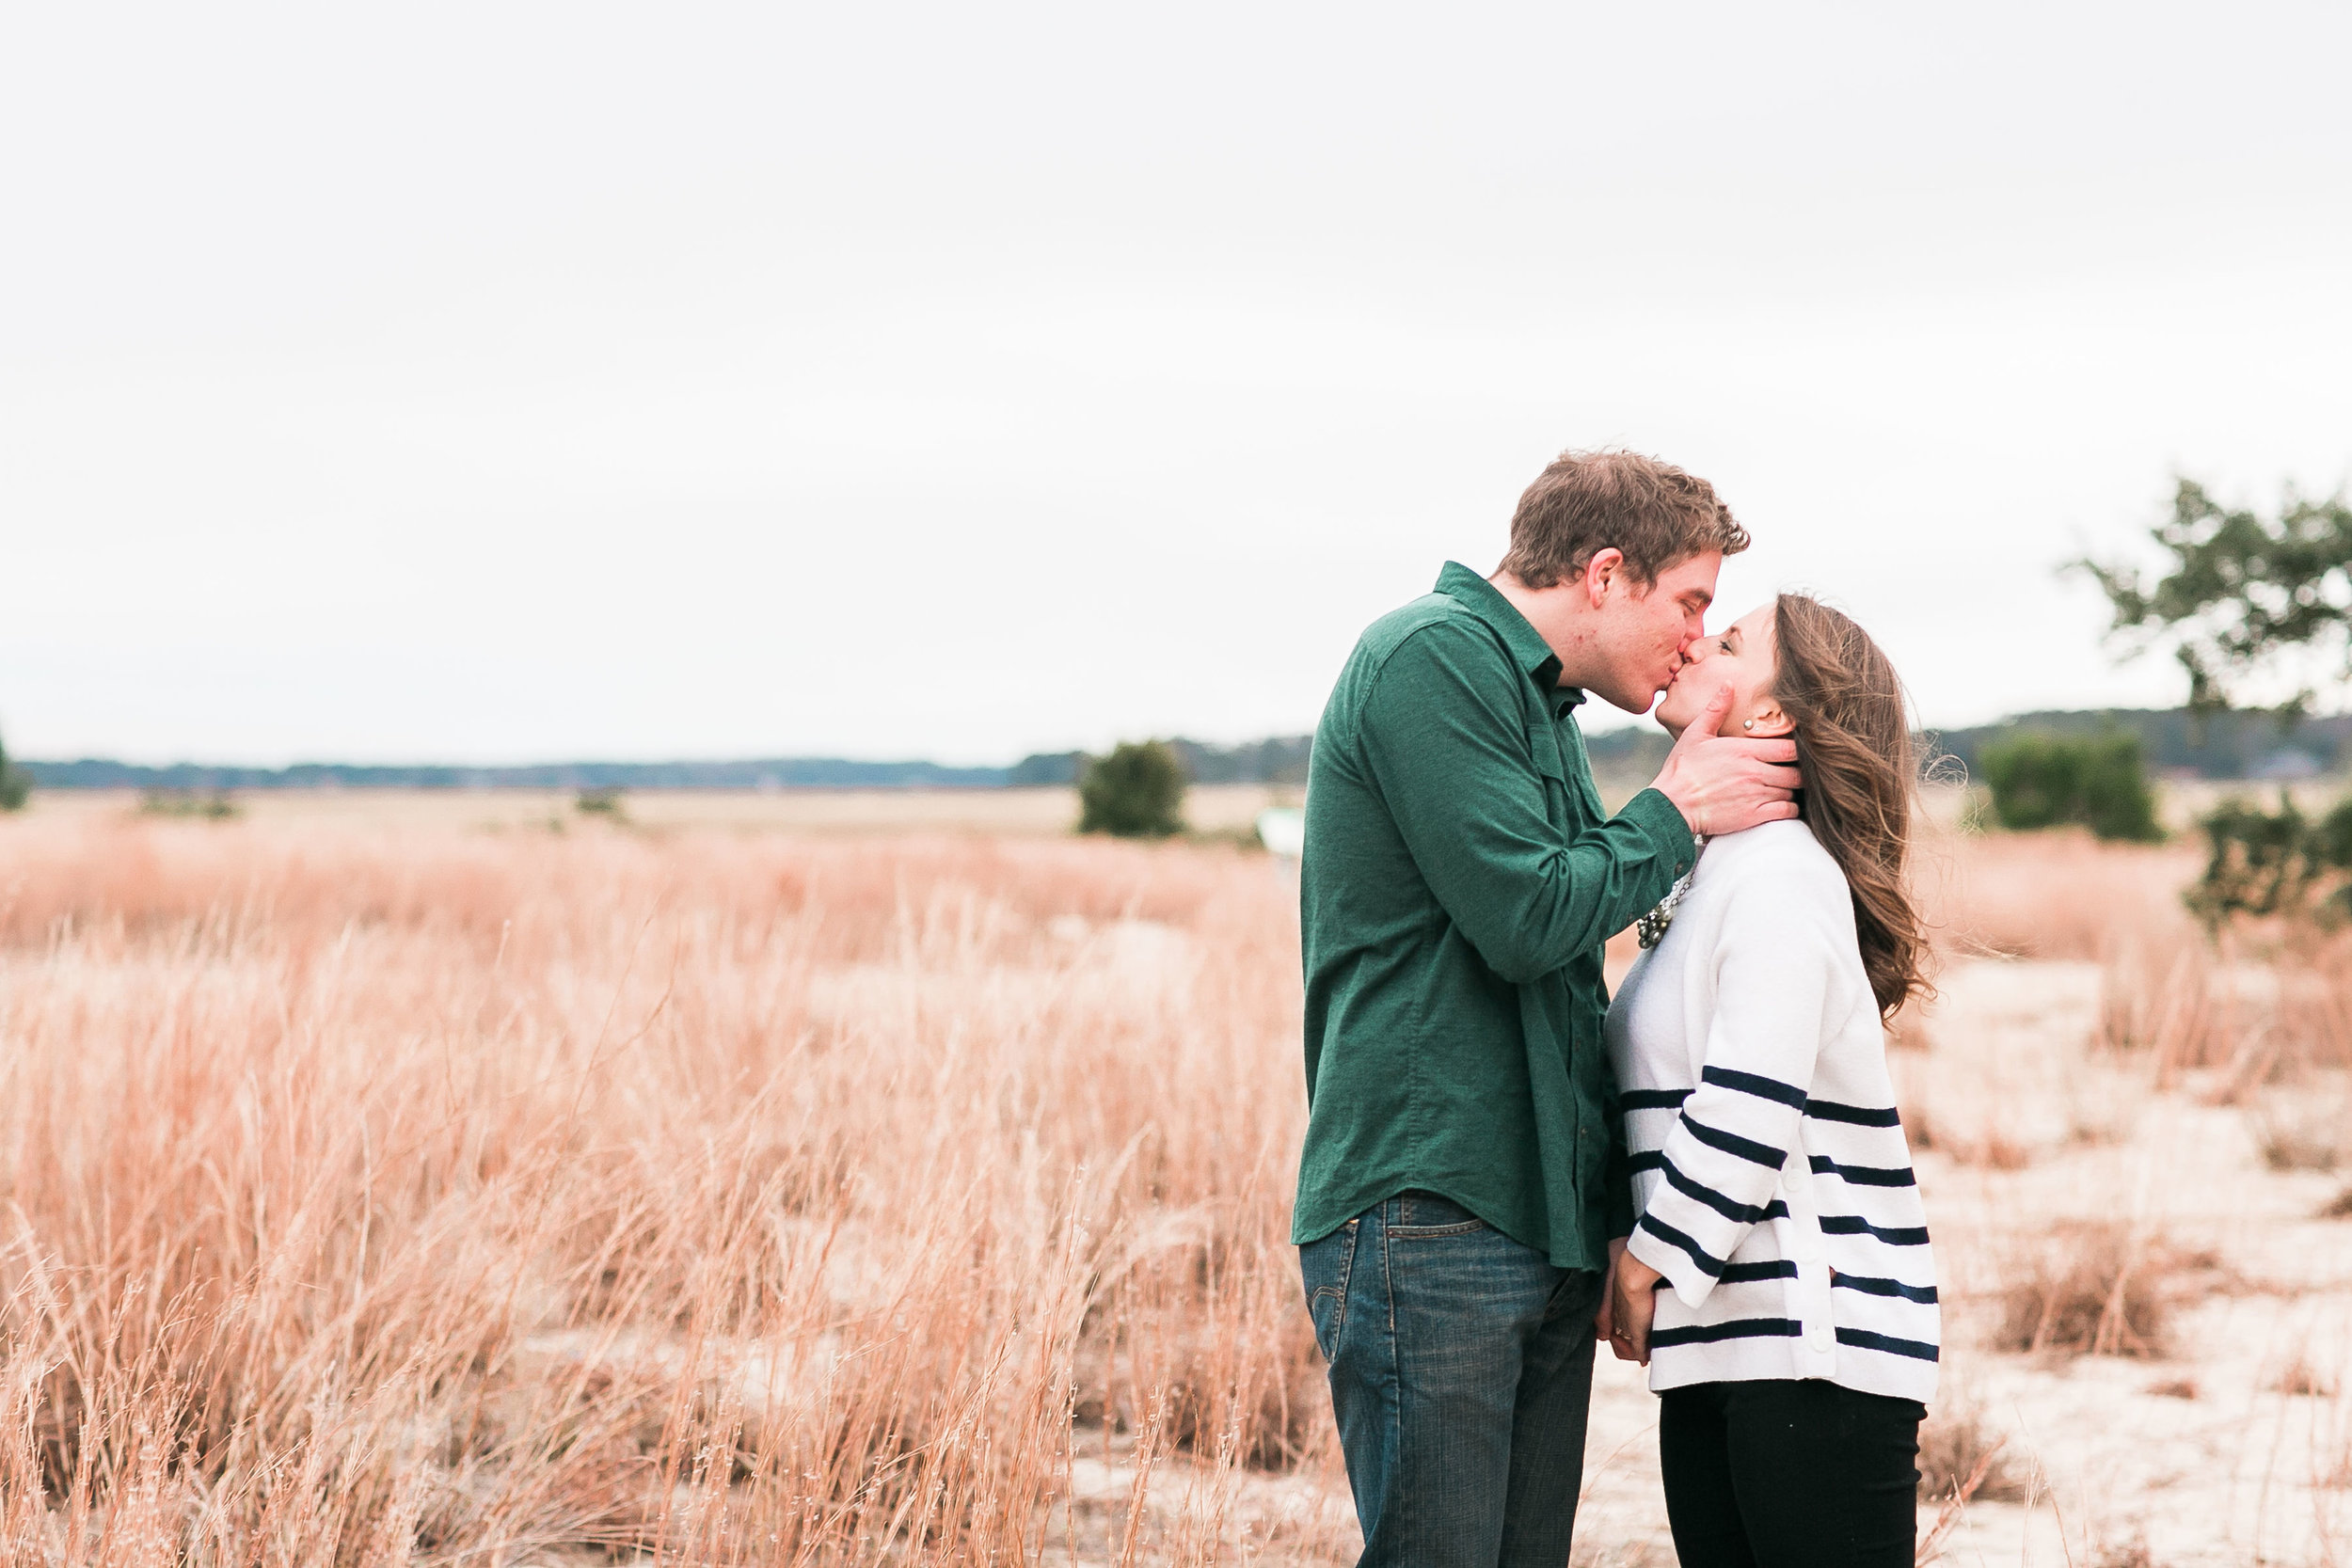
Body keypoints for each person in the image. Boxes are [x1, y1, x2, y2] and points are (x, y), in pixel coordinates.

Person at [1294, 449, 1804, 1567]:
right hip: (1428, 1205)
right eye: (1689, 602)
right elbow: (1529, 915)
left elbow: (1564, 986)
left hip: (1530, 1216)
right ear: (1605, 572)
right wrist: (1674, 808)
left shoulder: (1535, 703)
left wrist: (1611, 1214)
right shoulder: (1429, 655)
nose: (1692, 635)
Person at [1603, 594, 1939, 1568]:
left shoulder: (1782, 874)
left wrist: (1642, 1261)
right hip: (1720, 1337)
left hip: (1811, 1351)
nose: (1696, 641)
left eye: (1731, 640)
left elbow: (1748, 1099)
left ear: (1771, 716)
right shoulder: (1711, 868)